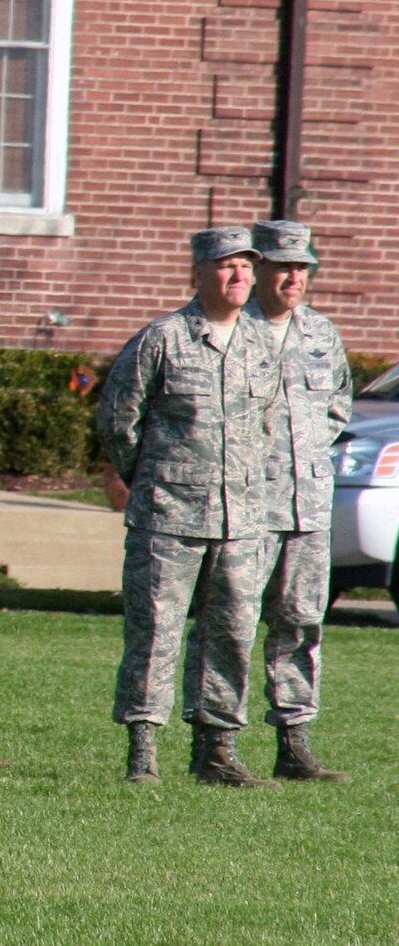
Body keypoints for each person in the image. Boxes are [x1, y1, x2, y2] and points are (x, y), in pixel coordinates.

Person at [99, 227, 280, 788]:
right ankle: (143, 750)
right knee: (155, 630)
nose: (239, 277)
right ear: (198, 273)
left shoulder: (259, 345)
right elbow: (116, 420)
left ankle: (216, 750)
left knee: (231, 633)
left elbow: (269, 425)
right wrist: (151, 478)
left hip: (241, 519)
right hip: (168, 515)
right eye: (226, 266)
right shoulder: (163, 339)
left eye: (246, 268)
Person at [180, 219, 354, 781]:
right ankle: (216, 745)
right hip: (244, 509)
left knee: (302, 623)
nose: (294, 277)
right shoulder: (232, 329)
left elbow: (338, 406)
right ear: (259, 271)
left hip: (308, 507)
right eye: (283, 266)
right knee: (226, 625)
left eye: (303, 267)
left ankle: (294, 742)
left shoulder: (321, 334)